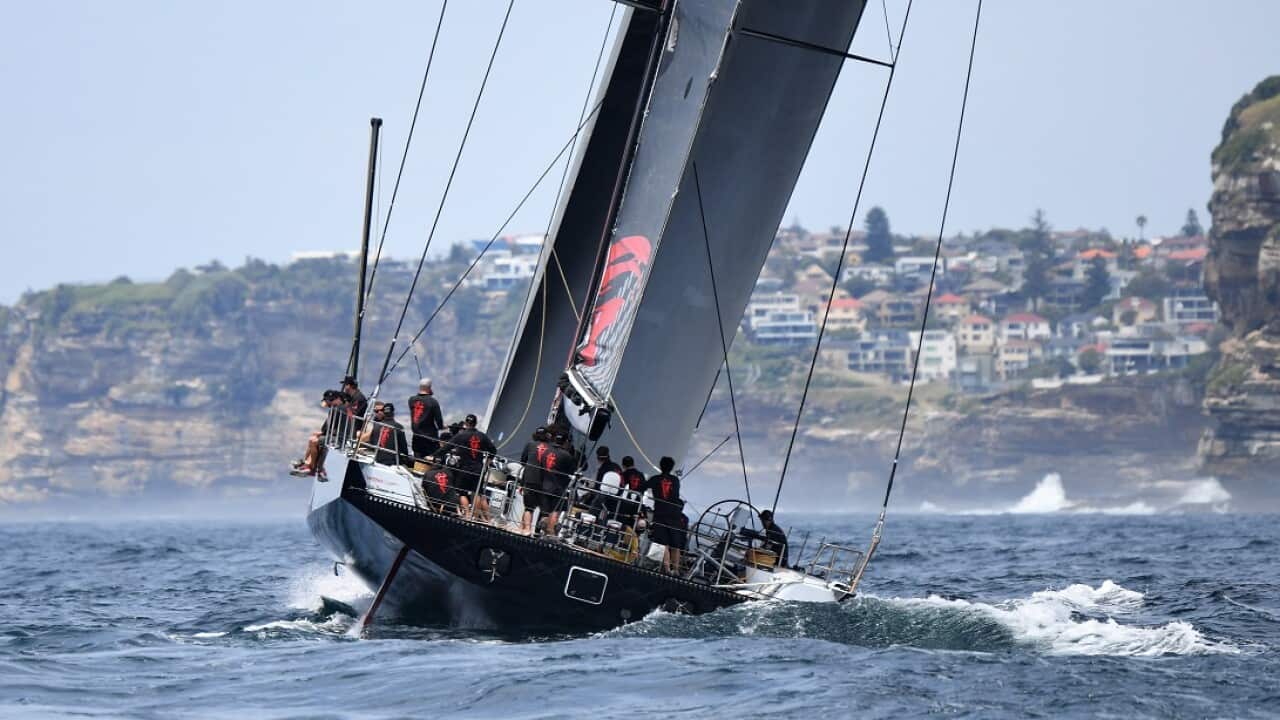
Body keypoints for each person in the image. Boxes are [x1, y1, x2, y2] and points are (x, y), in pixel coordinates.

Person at [447, 414, 496, 521]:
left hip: (465, 468)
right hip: (478, 468)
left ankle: (468, 515)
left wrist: (434, 455)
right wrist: (487, 464)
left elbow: (447, 446)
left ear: (466, 423)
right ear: (475, 423)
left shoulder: (462, 435)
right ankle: (475, 517)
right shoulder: (482, 436)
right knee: (477, 493)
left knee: (462, 493)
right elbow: (493, 450)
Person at [643, 456, 685, 574]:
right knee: (675, 544)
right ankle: (676, 570)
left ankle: (667, 570)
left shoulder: (654, 479)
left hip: (660, 514)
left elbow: (641, 487)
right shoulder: (676, 480)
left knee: (664, 543)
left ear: (660, 466)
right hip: (675, 514)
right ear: (672, 467)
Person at [291, 389, 346, 477]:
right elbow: (328, 428)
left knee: (314, 441)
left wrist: (323, 433)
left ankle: (311, 467)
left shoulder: (337, 410)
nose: (327, 404)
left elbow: (329, 428)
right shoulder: (340, 408)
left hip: (339, 438)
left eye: (327, 401)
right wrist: (322, 432)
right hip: (336, 435)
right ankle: (306, 462)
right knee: (314, 437)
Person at [538, 429, 576, 536]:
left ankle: (543, 530)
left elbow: (541, 466)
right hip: (558, 488)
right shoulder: (567, 456)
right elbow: (571, 472)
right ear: (565, 441)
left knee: (544, 514)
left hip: (545, 486)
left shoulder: (546, 451)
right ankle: (550, 535)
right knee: (555, 513)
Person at [519, 427, 551, 535]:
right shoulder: (551, 448)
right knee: (542, 510)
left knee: (528, 507)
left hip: (530, 478)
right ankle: (537, 531)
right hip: (543, 481)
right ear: (547, 436)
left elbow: (523, 461)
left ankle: (526, 529)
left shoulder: (530, 444)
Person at [407, 378, 444, 462]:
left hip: (416, 438)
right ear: (430, 387)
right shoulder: (433, 402)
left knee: (418, 461)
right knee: (432, 461)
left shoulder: (411, 400)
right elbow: (439, 423)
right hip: (430, 439)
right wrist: (443, 427)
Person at [372, 403, 410, 467]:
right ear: (393, 412)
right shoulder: (399, 427)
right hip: (393, 462)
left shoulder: (376, 425)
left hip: (378, 460)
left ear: (384, 413)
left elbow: (372, 443)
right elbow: (404, 449)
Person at [591, 446, 623, 518]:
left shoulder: (603, 469)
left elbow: (597, 487)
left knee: (591, 513)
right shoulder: (617, 467)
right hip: (616, 500)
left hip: (603, 499)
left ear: (598, 457)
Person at [615, 455, 646, 528]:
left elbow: (620, 489)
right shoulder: (641, 475)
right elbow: (644, 490)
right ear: (633, 464)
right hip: (638, 506)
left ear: (623, 466)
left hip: (625, 506)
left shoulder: (624, 474)